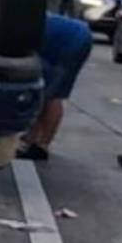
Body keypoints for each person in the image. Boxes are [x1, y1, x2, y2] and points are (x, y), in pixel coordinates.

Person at [16, 13, 93, 161]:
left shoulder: (18, 30)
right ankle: (32, 138)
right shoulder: (22, 21)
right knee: (45, 92)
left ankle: (42, 146)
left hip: (71, 42)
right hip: (75, 37)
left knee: (53, 95)